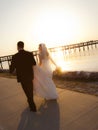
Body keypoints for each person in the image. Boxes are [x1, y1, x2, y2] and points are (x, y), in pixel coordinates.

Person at [10, 41, 37, 112]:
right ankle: (31, 101)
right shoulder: (29, 54)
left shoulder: (15, 56)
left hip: (22, 77)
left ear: (17, 47)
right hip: (30, 76)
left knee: (26, 91)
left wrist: (11, 71)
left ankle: (32, 105)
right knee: (30, 90)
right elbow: (34, 63)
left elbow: (12, 68)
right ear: (23, 46)